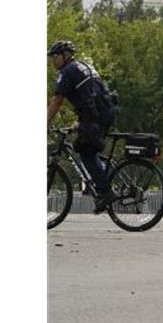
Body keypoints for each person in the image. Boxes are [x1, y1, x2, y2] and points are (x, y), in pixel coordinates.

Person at [47, 40, 118, 212]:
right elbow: (89, 94)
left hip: (96, 115)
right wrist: (79, 122)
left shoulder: (67, 71)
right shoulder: (83, 66)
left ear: (65, 56)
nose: (53, 61)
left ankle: (106, 192)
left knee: (87, 153)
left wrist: (45, 120)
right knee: (87, 146)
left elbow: (57, 101)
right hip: (106, 111)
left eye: (55, 56)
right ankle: (102, 180)